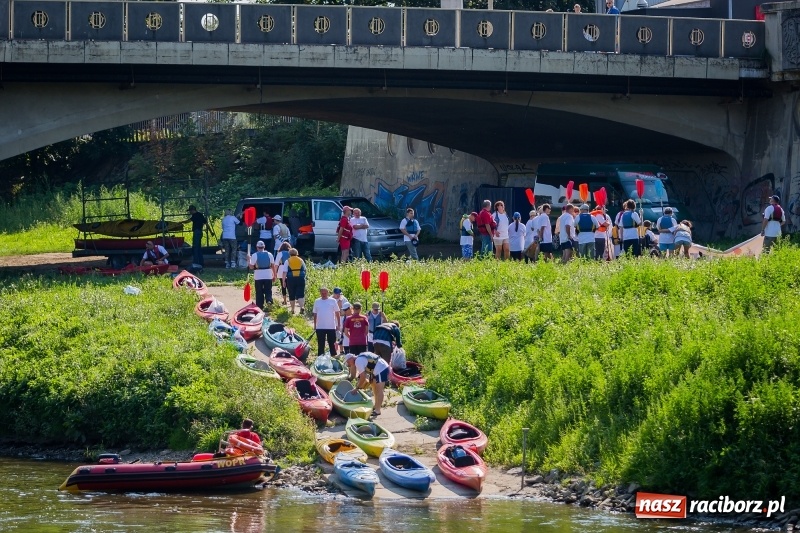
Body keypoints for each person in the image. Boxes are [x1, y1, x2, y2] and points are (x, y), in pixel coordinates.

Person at [344, 351, 389, 417]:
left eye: (348, 362)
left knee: (379, 390)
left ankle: (377, 410)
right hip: (377, 368)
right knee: (374, 387)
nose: (348, 364)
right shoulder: (359, 358)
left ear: (351, 359)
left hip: (381, 368)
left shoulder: (358, 361)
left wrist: (357, 388)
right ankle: (376, 406)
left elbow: (363, 377)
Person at [312, 287, 340, 357]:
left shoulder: (333, 301)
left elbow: (337, 313)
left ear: (328, 293)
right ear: (320, 293)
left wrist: (338, 324)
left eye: (325, 293)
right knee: (321, 344)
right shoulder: (317, 301)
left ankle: (333, 357)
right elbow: (315, 314)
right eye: (322, 293)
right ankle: (320, 358)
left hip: (331, 326)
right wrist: (315, 325)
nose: (323, 294)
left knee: (332, 343)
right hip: (320, 327)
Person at [248, 240, 275, 309]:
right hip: (268, 275)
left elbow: (251, 267)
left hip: (258, 276)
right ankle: (269, 300)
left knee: (259, 291)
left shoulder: (254, 255)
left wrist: (248, 260)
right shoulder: (270, 254)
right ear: (264, 247)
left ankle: (260, 306)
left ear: (257, 247)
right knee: (268, 290)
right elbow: (273, 266)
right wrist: (274, 275)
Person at [284, 248, 307, 315]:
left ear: (289, 254)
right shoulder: (301, 260)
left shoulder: (287, 261)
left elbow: (284, 272)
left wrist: (283, 281)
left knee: (292, 294)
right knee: (301, 294)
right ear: (297, 253)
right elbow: (305, 269)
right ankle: (302, 307)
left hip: (291, 278)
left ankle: (292, 310)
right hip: (300, 278)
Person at [186, 205, 207, 270]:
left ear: (192, 210)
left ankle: (196, 263)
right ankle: (201, 262)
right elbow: (205, 222)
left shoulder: (195, 215)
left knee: (195, 247)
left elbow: (188, 221)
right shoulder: (200, 215)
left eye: (190, 211)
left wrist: (181, 222)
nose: (190, 212)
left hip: (197, 232)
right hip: (200, 231)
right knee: (198, 248)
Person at [275, 241, 291, 305]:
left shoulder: (280, 253)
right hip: (290, 269)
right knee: (290, 286)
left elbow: (276, 264)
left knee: (283, 285)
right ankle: (291, 299)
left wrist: (275, 273)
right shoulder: (290, 253)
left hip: (282, 268)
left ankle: (285, 300)